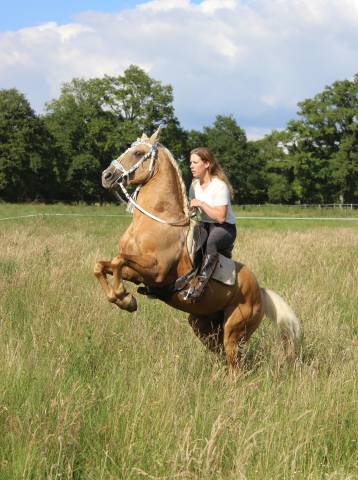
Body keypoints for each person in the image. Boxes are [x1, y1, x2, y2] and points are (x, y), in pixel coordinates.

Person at [182, 147, 237, 301]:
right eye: (190, 163)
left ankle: (200, 286)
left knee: (211, 241)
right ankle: (187, 277)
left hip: (224, 228)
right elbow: (195, 212)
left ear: (207, 164)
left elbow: (220, 217)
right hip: (204, 225)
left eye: (195, 162)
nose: (191, 166)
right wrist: (190, 208)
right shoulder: (194, 185)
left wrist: (201, 203)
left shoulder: (219, 186)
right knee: (192, 243)